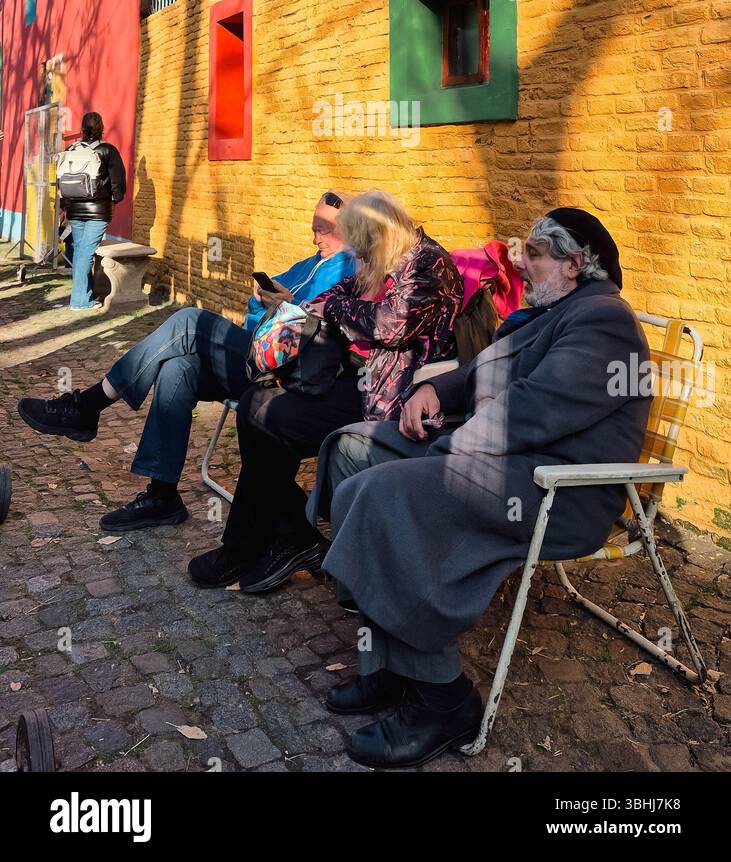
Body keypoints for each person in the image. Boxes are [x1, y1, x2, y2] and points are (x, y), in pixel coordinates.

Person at [308, 208, 653, 769]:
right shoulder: (551, 311)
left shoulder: (602, 321)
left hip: (555, 487)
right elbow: (482, 373)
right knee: (352, 453)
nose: (523, 259)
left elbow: (532, 412)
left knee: (389, 494)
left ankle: (444, 700)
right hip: (501, 459)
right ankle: (389, 663)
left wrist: (447, 451)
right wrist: (438, 392)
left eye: (536, 252)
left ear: (573, 265)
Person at [17, 192, 356, 532]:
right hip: (256, 355)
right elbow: (252, 315)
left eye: (324, 230)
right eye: (314, 229)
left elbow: (322, 331)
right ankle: (163, 495)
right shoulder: (307, 264)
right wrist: (263, 302)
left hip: (290, 372)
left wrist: (288, 306)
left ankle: (88, 405)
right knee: (179, 366)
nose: (316, 238)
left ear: (353, 230)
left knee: (189, 321)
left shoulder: (352, 270)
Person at [187, 190, 463, 595]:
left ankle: (263, 543)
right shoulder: (388, 255)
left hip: (396, 396)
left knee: (267, 419)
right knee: (256, 405)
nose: (359, 257)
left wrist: (333, 312)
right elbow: (336, 294)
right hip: (364, 377)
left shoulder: (428, 264)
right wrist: (320, 306)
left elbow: (390, 325)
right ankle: (285, 538)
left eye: (362, 246)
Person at [58, 112, 126, 310]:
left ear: (82, 128)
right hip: (98, 211)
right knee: (86, 253)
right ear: (101, 127)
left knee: (81, 251)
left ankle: (85, 295)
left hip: (75, 210)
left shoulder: (71, 149)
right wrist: (115, 200)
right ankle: (80, 301)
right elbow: (118, 182)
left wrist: (64, 208)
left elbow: (64, 179)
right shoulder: (108, 150)